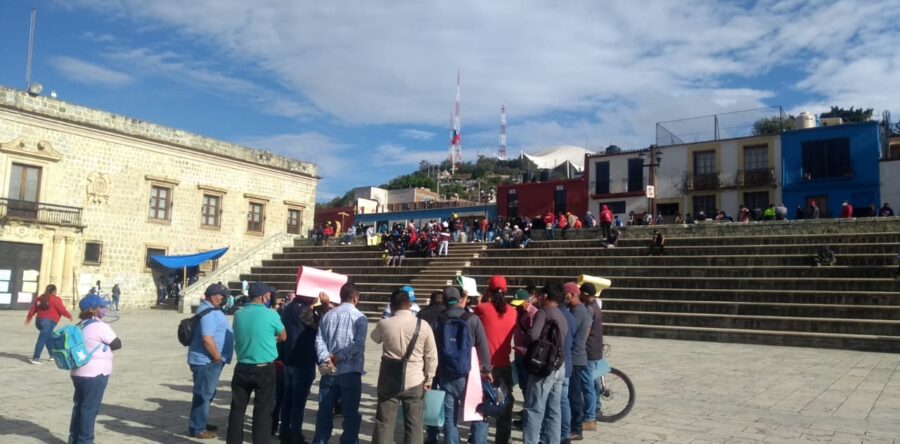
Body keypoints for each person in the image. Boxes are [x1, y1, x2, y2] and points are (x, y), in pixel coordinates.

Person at [371, 289, 438, 444]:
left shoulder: (384, 324)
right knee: (414, 425)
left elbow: (374, 338)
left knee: (384, 423)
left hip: (389, 378)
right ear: (410, 304)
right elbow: (431, 356)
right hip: (415, 380)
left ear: (391, 306)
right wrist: (429, 378)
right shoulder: (423, 325)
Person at [426, 287, 492, 444]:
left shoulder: (439, 320)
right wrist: (487, 369)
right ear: (460, 299)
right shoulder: (472, 318)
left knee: (450, 417)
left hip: (446, 373)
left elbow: (432, 348)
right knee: (478, 413)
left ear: (445, 301)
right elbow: (483, 345)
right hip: (470, 373)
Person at [227, 282, 286, 444]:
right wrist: (270, 338)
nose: (270, 297)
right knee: (262, 411)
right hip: (264, 368)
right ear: (262, 297)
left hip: (242, 366)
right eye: (268, 295)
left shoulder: (239, 314)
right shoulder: (271, 315)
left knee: (237, 411)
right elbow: (283, 336)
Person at [313, 283, 368, 444]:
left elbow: (319, 339)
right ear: (356, 298)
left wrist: (327, 358)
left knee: (324, 411)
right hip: (350, 371)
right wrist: (340, 356)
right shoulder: (360, 317)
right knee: (350, 414)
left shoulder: (328, 315)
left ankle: (320, 441)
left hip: (329, 370)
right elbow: (358, 345)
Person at [69, 294, 121, 444]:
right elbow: (117, 343)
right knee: (90, 409)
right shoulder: (100, 326)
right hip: (95, 373)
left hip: (78, 372)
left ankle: (74, 438)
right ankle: (85, 441)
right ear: (92, 309)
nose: (103, 309)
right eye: (101, 307)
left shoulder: (80, 324)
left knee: (79, 407)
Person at [522, 283, 569, 444]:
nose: (539, 298)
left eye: (541, 296)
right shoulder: (562, 314)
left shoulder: (544, 312)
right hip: (559, 365)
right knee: (554, 410)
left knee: (534, 408)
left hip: (543, 366)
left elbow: (534, 336)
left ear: (547, 297)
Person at [474, 276, 517, 444]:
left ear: (488, 291)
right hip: (504, 364)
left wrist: (481, 301)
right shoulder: (513, 311)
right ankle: (502, 440)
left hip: (484, 366)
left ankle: (479, 438)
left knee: (481, 404)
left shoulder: (482, 308)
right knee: (505, 405)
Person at [187, 284, 233, 439]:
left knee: (207, 393)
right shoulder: (209, 313)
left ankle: (200, 422)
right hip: (207, 361)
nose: (224, 299)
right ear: (214, 297)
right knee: (204, 394)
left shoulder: (210, 310)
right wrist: (216, 357)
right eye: (222, 296)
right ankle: (197, 428)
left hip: (208, 360)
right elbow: (207, 338)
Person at [279, 292, 322, 444]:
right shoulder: (303, 310)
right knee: (298, 402)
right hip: (302, 360)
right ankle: (295, 435)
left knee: (288, 399)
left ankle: (284, 431)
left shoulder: (288, 308)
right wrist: (323, 306)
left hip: (288, 358)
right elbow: (319, 326)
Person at [563, 282, 592, 440]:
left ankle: (576, 428)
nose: (563, 297)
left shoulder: (578, 312)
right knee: (572, 394)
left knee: (573, 395)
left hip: (575, 358)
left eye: (565, 294)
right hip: (576, 357)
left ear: (572, 294)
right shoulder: (576, 310)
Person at [25, 284, 72, 365]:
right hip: (48, 322)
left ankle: (52, 355)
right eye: (56, 291)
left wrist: (29, 318)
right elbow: (61, 309)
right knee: (42, 339)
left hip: (39, 321)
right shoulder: (55, 299)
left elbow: (33, 309)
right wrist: (69, 315)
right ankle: (36, 358)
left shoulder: (40, 298)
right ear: (54, 291)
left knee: (48, 338)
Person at [580, 283, 603, 431]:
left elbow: (585, 331)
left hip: (588, 351)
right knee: (594, 383)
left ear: (586, 294)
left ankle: (589, 418)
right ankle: (596, 409)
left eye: (581, 293)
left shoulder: (589, 309)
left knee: (587, 384)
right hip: (597, 351)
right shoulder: (597, 307)